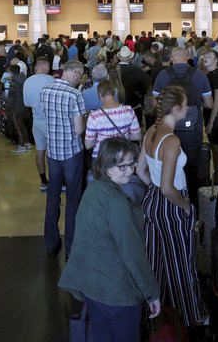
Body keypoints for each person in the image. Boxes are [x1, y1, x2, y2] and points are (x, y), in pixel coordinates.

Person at [58, 138, 161, 342]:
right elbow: (133, 254)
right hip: (118, 295)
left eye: (132, 163)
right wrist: (151, 293)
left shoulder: (94, 190)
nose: (129, 170)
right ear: (105, 167)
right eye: (121, 166)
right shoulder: (117, 203)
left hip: (93, 289)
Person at [136, 86, 208, 330]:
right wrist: (186, 206)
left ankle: (154, 311)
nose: (187, 107)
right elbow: (169, 188)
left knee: (155, 259)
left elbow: (140, 171)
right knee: (181, 262)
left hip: (152, 202)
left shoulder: (151, 132)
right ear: (176, 108)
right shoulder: (172, 140)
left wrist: (154, 189)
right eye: (185, 104)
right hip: (172, 204)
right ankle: (192, 314)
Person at [151, 47, 212, 206]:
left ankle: (172, 201)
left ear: (172, 57)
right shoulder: (199, 75)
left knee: (169, 167)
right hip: (194, 130)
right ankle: (193, 205)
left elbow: (153, 102)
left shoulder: (163, 75)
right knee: (192, 168)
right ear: (188, 57)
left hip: (168, 129)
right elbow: (209, 103)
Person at [41, 60, 87, 258]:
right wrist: (86, 118)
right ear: (75, 73)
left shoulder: (46, 90)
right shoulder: (75, 95)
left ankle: (51, 242)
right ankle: (71, 247)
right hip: (71, 152)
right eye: (81, 75)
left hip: (53, 152)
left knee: (53, 197)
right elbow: (79, 129)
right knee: (73, 200)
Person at [85, 80, 141, 162]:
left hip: (101, 156)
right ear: (114, 92)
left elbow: (88, 145)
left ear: (99, 94)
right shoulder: (129, 110)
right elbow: (137, 136)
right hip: (123, 154)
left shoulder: (94, 116)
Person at [23, 58, 55, 191]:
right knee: (53, 153)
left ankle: (43, 182)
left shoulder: (27, 81)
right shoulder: (50, 80)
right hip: (51, 121)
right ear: (46, 66)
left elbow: (26, 103)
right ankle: (56, 181)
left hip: (36, 119)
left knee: (40, 151)